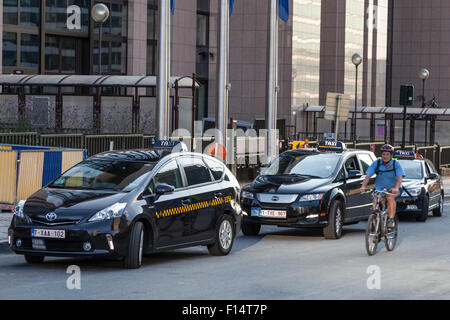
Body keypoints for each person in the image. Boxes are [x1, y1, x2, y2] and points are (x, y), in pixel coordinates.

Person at [360, 144, 405, 229]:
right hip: (379, 188)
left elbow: (399, 178)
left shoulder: (396, 164)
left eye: (387, 154)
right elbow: (368, 176)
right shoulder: (376, 163)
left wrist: (396, 188)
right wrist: (363, 186)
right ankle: (376, 224)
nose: (385, 156)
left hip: (393, 188)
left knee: (390, 198)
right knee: (375, 203)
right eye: (383, 154)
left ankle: (391, 219)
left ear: (391, 155)